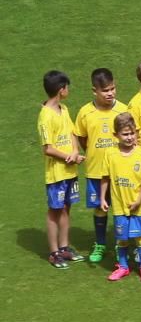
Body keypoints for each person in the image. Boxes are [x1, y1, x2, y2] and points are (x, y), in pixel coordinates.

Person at [73, 67, 128, 263]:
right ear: (94, 91)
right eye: (105, 90)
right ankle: (101, 243)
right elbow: (81, 137)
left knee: (124, 208)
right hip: (96, 171)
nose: (110, 93)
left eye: (112, 88)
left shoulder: (123, 109)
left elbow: (132, 138)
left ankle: (125, 244)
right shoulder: (85, 112)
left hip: (121, 170)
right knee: (100, 208)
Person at [39, 70, 84, 268]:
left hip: (69, 171)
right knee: (54, 211)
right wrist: (69, 157)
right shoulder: (45, 116)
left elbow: (72, 133)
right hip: (56, 173)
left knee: (66, 208)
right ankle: (53, 251)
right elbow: (47, 148)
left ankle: (64, 248)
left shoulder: (64, 109)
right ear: (61, 89)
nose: (68, 90)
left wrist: (75, 152)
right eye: (67, 87)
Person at [100, 113, 141, 282]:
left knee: (140, 236)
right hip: (119, 205)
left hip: (137, 205)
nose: (129, 137)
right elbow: (105, 178)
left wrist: (138, 200)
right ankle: (123, 267)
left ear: (136, 132)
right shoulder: (110, 153)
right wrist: (102, 198)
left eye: (131, 133)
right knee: (121, 238)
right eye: (125, 134)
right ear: (116, 135)